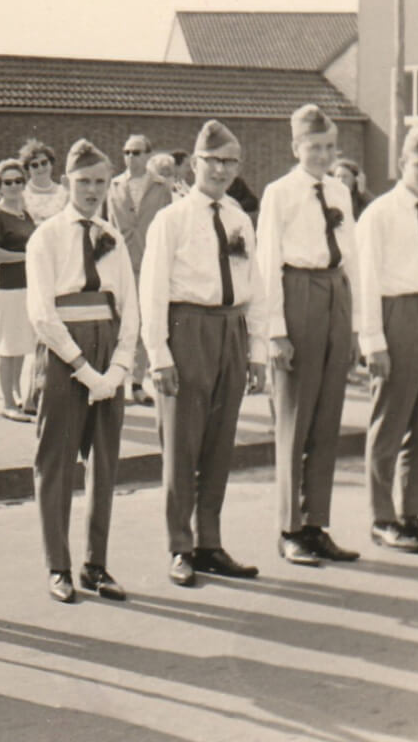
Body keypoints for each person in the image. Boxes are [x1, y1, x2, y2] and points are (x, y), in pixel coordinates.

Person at [139, 119, 267, 588]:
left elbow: (255, 288)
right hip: (186, 328)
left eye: (230, 162)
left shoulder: (238, 219)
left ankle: (210, 541)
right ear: (194, 164)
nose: (222, 170)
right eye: (213, 161)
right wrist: (159, 355)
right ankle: (180, 546)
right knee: (182, 444)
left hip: (230, 329)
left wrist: (256, 351)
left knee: (219, 443)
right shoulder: (170, 220)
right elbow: (151, 289)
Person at [25, 139, 137, 603]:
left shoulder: (113, 238)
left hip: (108, 350)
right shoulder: (46, 237)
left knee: (105, 464)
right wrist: (83, 370)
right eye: (84, 181)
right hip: (65, 354)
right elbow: (41, 313)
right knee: (56, 464)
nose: (92, 190)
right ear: (68, 183)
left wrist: (119, 368)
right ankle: (59, 566)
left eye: (100, 182)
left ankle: (96, 564)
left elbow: (129, 308)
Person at [256, 104, 362, 567]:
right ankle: (289, 527)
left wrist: (354, 325)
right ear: (295, 148)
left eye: (328, 147)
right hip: (297, 291)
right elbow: (268, 262)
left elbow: (352, 257)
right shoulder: (279, 193)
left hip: (335, 292)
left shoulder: (340, 189)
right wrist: (275, 331)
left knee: (327, 417)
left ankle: (317, 523)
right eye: (313, 147)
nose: (321, 155)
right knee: (295, 417)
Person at [354, 124, 418, 554]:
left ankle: (412, 512)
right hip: (398, 314)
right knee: (391, 418)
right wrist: (373, 340)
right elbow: (368, 279)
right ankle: (382, 517)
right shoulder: (379, 213)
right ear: (402, 165)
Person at [106, 136, 171, 406]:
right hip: (121, 263)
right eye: (126, 152)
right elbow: (109, 223)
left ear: (148, 155)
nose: (131, 158)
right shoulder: (114, 185)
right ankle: (116, 382)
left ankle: (136, 383)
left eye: (136, 153)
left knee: (145, 323)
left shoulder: (161, 187)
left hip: (149, 262)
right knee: (120, 324)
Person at [0, 158, 36, 421]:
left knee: (22, 343)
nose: (14, 186)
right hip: (6, 288)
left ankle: (17, 395)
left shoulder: (25, 214)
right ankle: (7, 403)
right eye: (8, 182)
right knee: (8, 344)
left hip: (26, 286)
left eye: (18, 181)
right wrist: (27, 257)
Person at [19, 138, 69, 222]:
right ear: (28, 168)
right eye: (34, 165)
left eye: (44, 163)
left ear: (51, 163)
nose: (40, 168)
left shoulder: (64, 192)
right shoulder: (22, 194)